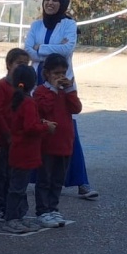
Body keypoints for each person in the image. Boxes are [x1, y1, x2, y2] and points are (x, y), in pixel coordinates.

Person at [25, 0, 99, 200]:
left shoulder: (69, 24)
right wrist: (52, 47)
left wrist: (41, 48)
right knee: (37, 128)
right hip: (38, 81)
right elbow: (28, 49)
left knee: (68, 131)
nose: (50, 2)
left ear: (63, 3)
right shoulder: (35, 25)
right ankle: (36, 178)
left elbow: (67, 51)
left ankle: (81, 182)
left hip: (62, 83)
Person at [3, 64, 55, 234]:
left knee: (20, 186)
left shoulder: (18, 100)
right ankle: (12, 218)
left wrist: (41, 123)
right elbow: (29, 127)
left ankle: (18, 215)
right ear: (33, 83)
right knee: (17, 188)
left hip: (20, 150)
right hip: (25, 151)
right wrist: (46, 127)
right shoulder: (28, 102)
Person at [34, 53, 81, 228]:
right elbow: (43, 108)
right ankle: (42, 210)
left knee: (57, 179)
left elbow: (76, 108)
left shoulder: (67, 91)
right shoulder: (41, 91)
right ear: (46, 74)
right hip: (47, 144)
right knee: (44, 178)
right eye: (56, 73)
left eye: (63, 73)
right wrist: (53, 90)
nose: (60, 77)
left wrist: (69, 90)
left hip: (65, 143)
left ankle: (53, 208)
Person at [0, 48, 31, 222]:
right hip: (0, 140)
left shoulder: (23, 88)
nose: (23, 67)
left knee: (13, 174)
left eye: (25, 64)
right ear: (8, 65)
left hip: (16, 141)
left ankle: (12, 206)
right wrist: (7, 135)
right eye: (19, 64)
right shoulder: (0, 87)